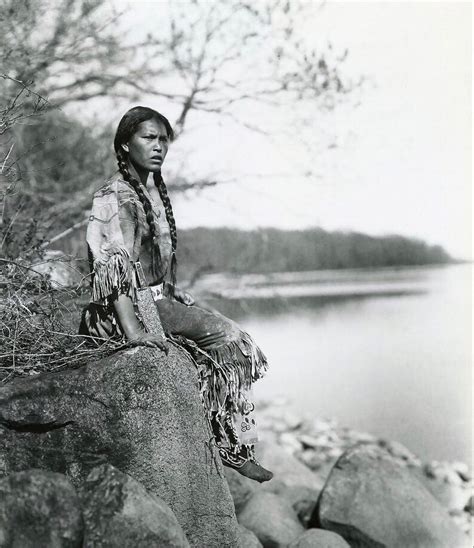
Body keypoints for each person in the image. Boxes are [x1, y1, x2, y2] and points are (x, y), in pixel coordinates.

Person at [80, 106, 273, 482]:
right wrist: (134, 332)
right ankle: (231, 446)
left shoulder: (146, 193)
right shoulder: (113, 196)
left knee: (228, 335)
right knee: (232, 340)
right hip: (129, 307)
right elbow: (113, 270)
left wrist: (173, 294)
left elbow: (149, 264)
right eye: (148, 138)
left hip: (154, 298)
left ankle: (229, 436)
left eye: (163, 140)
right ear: (124, 144)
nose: (158, 147)